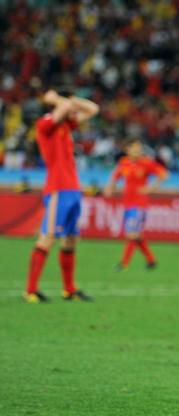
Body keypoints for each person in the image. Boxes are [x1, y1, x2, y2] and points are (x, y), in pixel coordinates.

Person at [24, 89, 99, 303]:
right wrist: (59, 100)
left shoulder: (66, 124)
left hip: (73, 189)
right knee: (48, 237)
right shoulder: (45, 124)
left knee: (70, 239)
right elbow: (64, 107)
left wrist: (72, 100)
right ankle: (30, 290)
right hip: (58, 189)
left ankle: (69, 290)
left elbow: (93, 109)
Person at [103, 138, 169, 271]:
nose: (137, 150)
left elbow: (164, 174)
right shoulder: (124, 163)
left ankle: (123, 264)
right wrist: (110, 188)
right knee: (136, 235)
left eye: (139, 147)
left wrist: (152, 188)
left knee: (132, 234)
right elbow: (115, 177)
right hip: (128, 204)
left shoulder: (146, 163)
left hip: (140, 204)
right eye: (134, 147)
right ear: (127, 149)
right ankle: (151, 260)